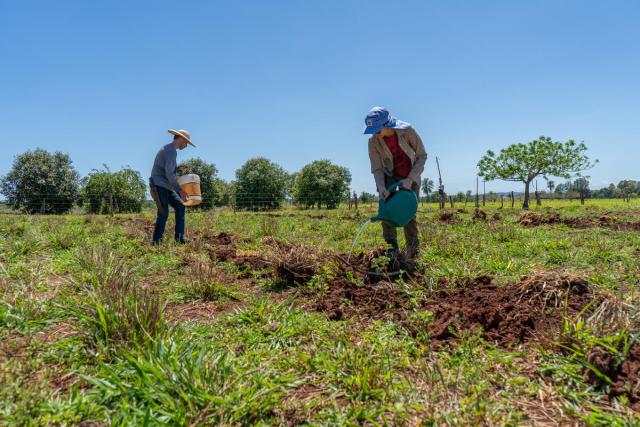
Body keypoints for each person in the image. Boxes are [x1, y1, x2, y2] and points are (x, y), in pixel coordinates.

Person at [364, 107, 427, 259]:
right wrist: (381, 187)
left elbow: (422, 156)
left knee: (409, 215)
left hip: (410, 175)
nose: (375, 133)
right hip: (389, 175)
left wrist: (410, 179)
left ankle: (413, 254)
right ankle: (392, 253)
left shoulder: (407, 131)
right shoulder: (373, 141)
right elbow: (377, 168)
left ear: (387, 124)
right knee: (385, 214)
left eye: (377, 129)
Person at [149, 129, 195, 245]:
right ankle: (156, 243)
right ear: (182, 139)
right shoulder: (171, 151)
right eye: (187, 143)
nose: (186, 146)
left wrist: (177, 169)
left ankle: (179, 238)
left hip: (166, 186)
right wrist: (180, 191)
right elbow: (169, 174)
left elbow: (168, 170)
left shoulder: (169, 149)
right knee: (163, 213)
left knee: (180, 206)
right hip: (159, 185)